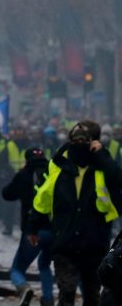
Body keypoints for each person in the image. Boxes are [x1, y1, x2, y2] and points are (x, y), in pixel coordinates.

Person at [28, 121, 122, 306]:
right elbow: (43, 198)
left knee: (92, 294)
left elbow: (118, 179)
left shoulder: (101, 168)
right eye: (75, 140)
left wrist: (102, 154)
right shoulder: (60, 169)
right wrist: (32, 226)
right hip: (65, 242)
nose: (79, 143)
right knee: (67, 291)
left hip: (94, 243)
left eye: (84, 140)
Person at [2, 147, 54, 306]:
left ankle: (24, 288)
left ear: (26, 160)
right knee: (44, 265)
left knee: (17, 269)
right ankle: (48, 298)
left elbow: (7, 194)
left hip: (32, 231)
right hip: (53, 230)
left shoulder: (24, 174)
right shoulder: (53, 175)